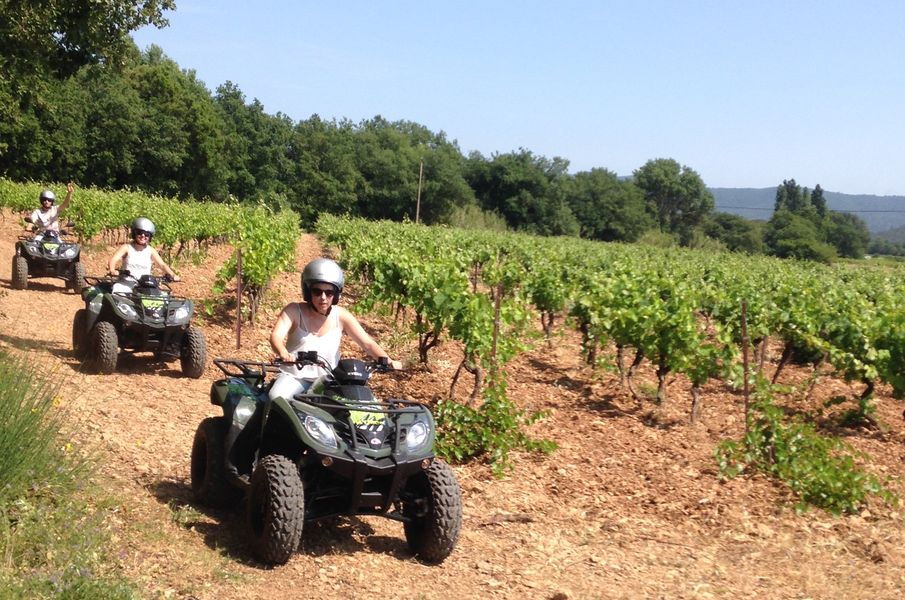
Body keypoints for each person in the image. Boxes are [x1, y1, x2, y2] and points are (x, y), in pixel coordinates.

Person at [269, 257, 402, 400]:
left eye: (329, 292)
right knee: (276, 397)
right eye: (317, 291)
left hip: (329, 380)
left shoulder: (341, 316)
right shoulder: (294, 311)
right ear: (308, 292)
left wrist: (388, 361)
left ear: (336, 294)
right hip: (295, 376)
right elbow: (276, 336)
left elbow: (367, 343)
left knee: (365, 407)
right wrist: (283, 353)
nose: (323, 297)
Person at [107, 217, 180, 294]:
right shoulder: (127, 248)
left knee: (162, 297)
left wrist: (172, 275)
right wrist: (112, 270)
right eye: (139, 232)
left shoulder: (151, 250)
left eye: (146, 234)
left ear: (150, 236)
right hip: (126, 283)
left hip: (145, 285)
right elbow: (113, 259)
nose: (143, 236)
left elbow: (162, 264)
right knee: (119, 294)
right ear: (134, 233)